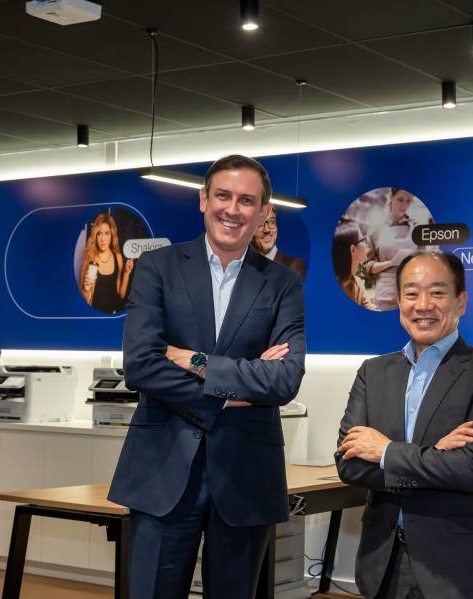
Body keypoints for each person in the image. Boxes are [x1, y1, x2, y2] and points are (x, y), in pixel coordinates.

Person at [109, 154, 306, 599]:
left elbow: (284, 380)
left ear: (263, 212)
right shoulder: (157, 268)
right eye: (223, 196)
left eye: (247, 201)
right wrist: (227, 393)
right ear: (203, 199)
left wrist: (195, 360)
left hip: (246, 475)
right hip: (162, 472)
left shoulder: (283, 284)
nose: (232, 210)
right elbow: (141, 364)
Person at [336, 251, 473, 599]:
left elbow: (470, 471)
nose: (423, 305)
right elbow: (349, 465)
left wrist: (385, 452)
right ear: (398, 301)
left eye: (437, 292)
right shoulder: (373, 373)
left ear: (461, 301)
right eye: (411, 293)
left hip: (460, 571)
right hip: (384, 566)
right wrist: (434, 455)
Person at [365, 188, 419, 311]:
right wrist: (392, 263)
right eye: (400, 200)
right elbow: (367, 267)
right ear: (391, 198)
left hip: (412, 293)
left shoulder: (416, 227)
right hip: (385, 295)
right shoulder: (376, 228)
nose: (404, 205)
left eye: (408, 201)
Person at [79, 212, 134, 313]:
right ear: (95, 235)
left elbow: (121, 294)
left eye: (107, 233)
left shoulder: (118, 257)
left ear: (112, 235)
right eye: (99, 233)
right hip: (96, 315)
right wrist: (86, 289)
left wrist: (126, 273)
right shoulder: (90, 258)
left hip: (113, 314)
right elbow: (85, 299)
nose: (103, 239)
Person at [252, 202, 307, 278]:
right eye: (260, 224)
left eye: (272, 222)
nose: (267, 230)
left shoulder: (292, 266)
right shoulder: (244, 265)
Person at [332, 221, 376, 310]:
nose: (367, 244)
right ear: (353, 250)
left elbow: (368, 307)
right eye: (363, 240)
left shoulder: (357, 283)